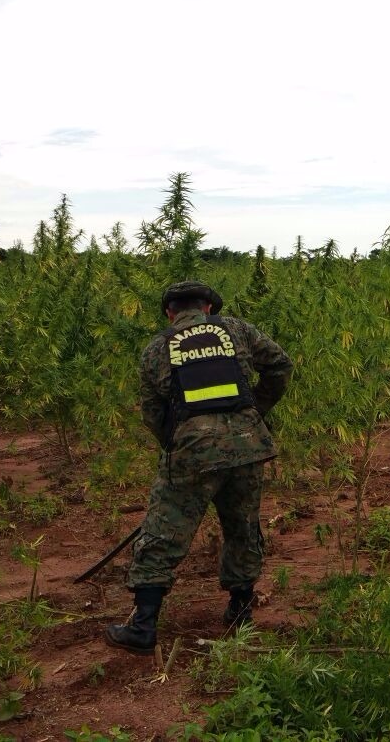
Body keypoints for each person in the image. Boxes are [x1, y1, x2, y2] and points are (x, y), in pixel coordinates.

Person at [105, 281, 293, 655]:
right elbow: (280, 365)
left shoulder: (158, 346)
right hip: (248, 447)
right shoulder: (236, 329)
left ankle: (143, 626)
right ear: (208, 308)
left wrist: (175, 443)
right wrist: (255, 411)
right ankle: (240, 613)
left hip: (191, 452)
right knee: (242, 527)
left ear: (170, 313)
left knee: (163, 531)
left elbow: (152, 413)